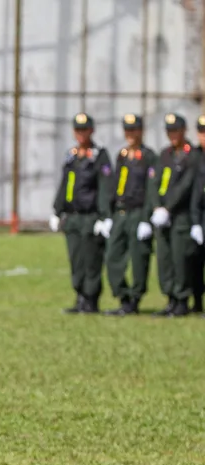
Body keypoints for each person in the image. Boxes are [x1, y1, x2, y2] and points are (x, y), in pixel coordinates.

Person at [50, 113, 113, 314]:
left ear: (91, 131)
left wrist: (104, 216)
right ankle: (80, 297)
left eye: (84, 130)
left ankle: (91, 300)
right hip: (73, 217)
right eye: (78, 130)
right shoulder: (71, 155)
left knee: (91, 260)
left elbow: (105, 187)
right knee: (76, 259)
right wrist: (57, 210)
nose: (81, 134)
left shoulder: (99, 155)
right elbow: (64, 184)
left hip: (90, 216)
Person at [103, 114, 157, 316]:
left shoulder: (149, 156)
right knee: (112, 257)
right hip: (121, 213)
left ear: (141, 131)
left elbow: (151, 189)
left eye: (133, 130)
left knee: (139, 257)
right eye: (127, 130)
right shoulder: (122, 155)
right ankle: (122, 295)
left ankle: (135, 298)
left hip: (138, 213)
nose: (130, 134)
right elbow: (115, 185)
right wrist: (108, 214)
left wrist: (146, 218)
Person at [150, 113, 201, 317]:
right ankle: (170, 298)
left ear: (183, 131)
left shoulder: (192, 155)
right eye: (169, 131)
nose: (173, 135)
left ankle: (181, 299)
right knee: (165, 259)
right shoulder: (164, 154)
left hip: (180, 215)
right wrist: (156, 207)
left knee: (181, 260)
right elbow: (153, 183)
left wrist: (168, 208)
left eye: (176, 131)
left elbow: (186, 185)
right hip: (162, 216)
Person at [188, 115, 205, 313]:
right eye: (201, 132)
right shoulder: (193, 156)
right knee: (194, 263)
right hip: (196, 215)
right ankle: (197, 303)